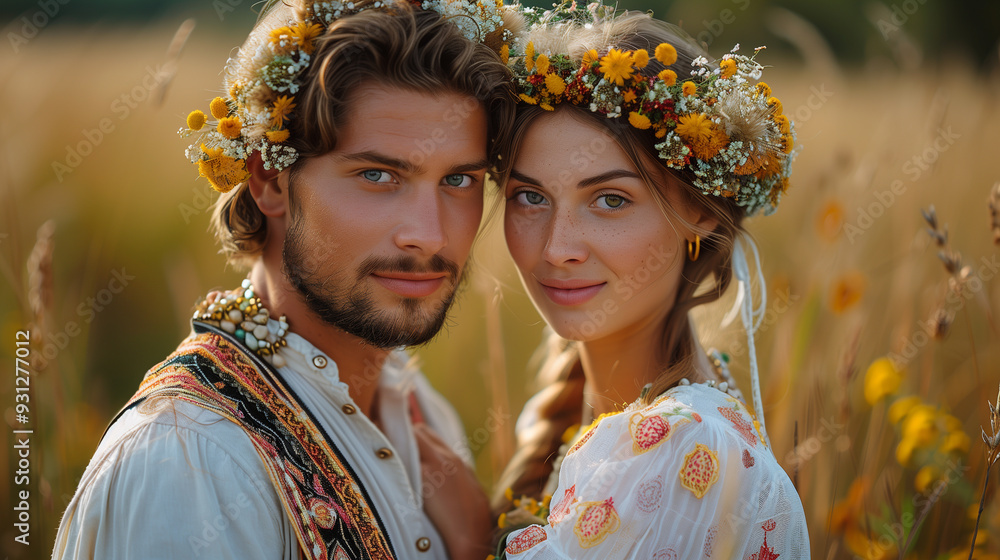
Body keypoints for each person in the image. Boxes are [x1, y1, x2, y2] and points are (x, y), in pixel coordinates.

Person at [52, 0, 515, 558]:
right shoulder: (188, 462)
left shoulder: (418, 407)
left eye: (459, 180)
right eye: (378, 174)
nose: (431, 236)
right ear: (270, 180)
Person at [490, 6, 810, 558]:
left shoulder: (685, 444)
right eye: (531, 197)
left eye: (610, 200)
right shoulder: (594, 421)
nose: (556, 248)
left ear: (701, 211)